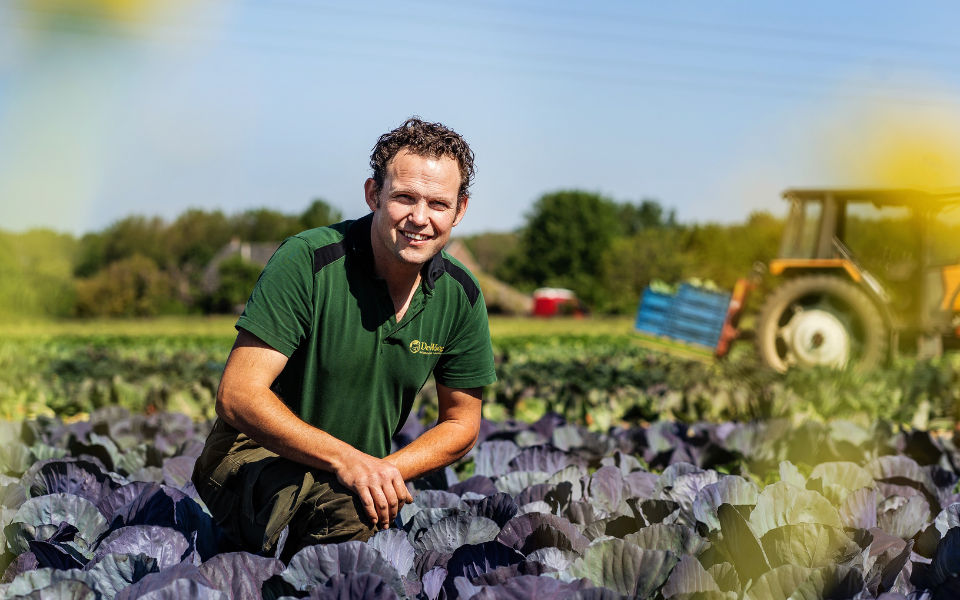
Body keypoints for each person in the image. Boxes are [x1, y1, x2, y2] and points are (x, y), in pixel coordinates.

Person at [192, 117, 496, 561]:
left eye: (438, 204)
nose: (420, 218)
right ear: (373, 194)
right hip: (253, 456)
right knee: (352, 511)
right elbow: (238, 395)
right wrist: (349, 462)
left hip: (354, 472)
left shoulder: (461, 296)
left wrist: (385, 469)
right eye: (404, 198)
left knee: (362, 507)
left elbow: (462, 424)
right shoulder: (308, 261)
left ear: (460, 209)